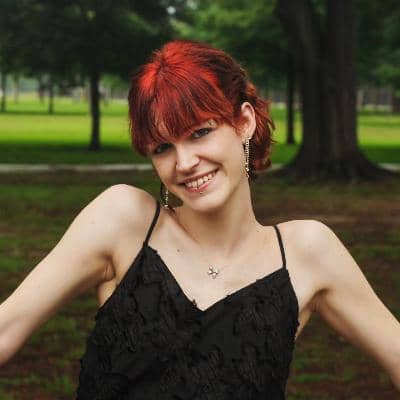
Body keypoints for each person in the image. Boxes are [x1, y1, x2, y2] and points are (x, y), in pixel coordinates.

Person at [0, 40, 399, 399]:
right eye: (162, 147)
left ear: (244, 122)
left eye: (199, 132)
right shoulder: (124, 221)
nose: (185, 163)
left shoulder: (307, 252)